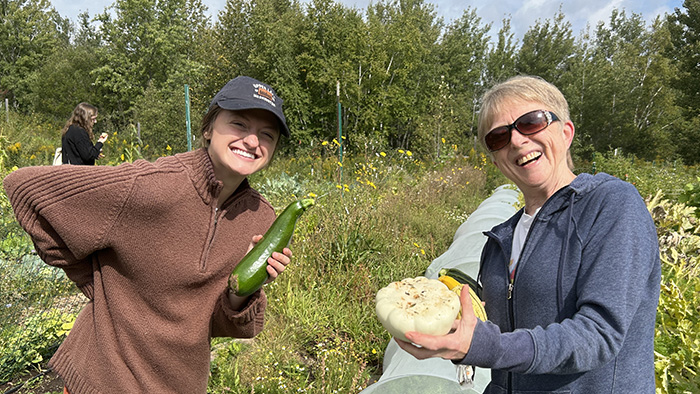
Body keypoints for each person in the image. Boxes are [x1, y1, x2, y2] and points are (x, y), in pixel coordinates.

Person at [4, 76, 294, 393]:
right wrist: (97, 285)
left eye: (267, 134)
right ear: (208, 128)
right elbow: (26, 189)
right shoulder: (152, 185)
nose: (253, 141)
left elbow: (228, 325)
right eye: (239, 124)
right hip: (104, 379)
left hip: (180, 384)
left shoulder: (261, 217)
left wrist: (243, 291)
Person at [396, 75, 661, 393]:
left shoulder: (610, 205)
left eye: (531, 122)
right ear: (496, 160)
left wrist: (488, 347)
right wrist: (450, 329)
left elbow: (599, 335)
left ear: (566, 133)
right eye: (498, 137)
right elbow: (504, 346)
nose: (518, 141)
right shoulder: (499, 241)